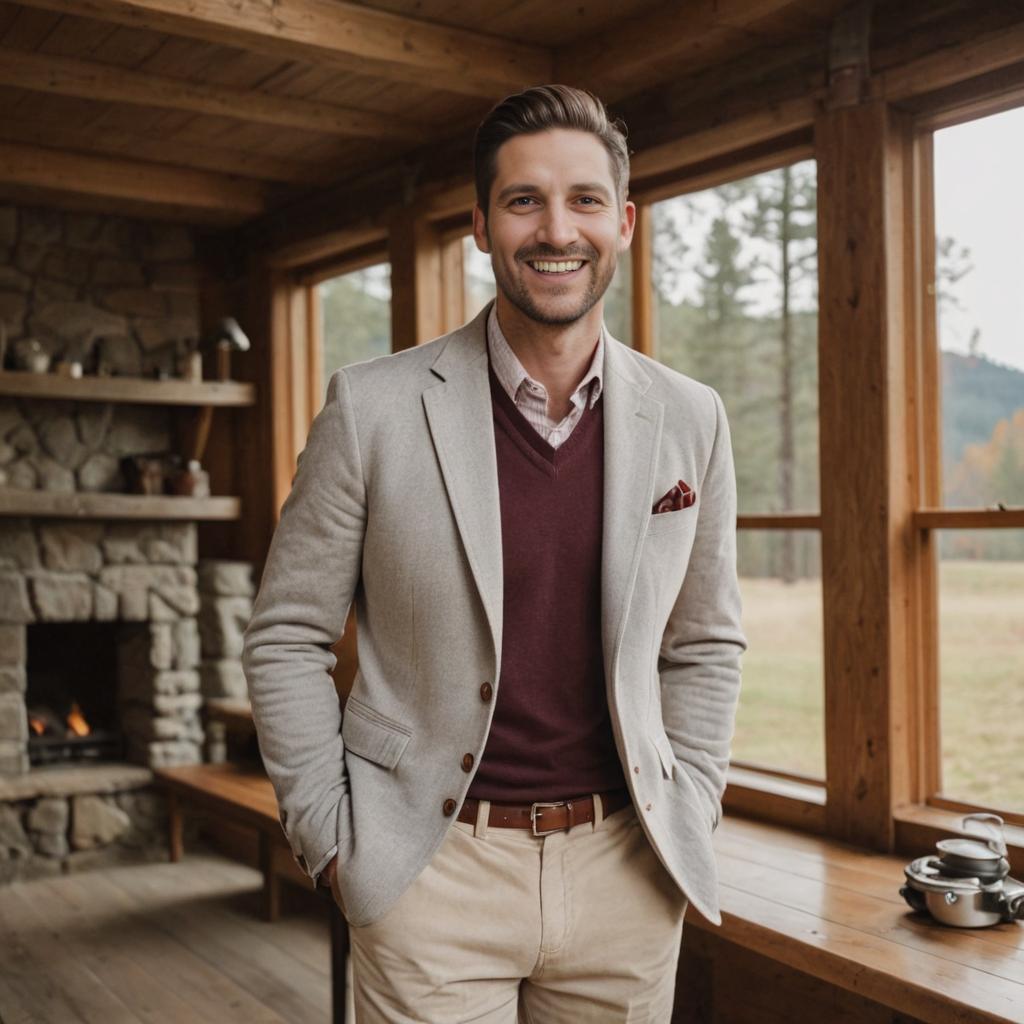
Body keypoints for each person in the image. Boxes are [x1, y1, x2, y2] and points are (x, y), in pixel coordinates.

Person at [242, 83, 745, 1023]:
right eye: (524, 201)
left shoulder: (692, 419)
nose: (557, 228)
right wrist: (333, 838)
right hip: (429, 875)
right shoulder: (373, 408)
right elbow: (286, 635)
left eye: (585, 200)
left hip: (626, 878)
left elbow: (706, 642)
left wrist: (696, 804)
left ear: (624, 222)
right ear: (481, 224)